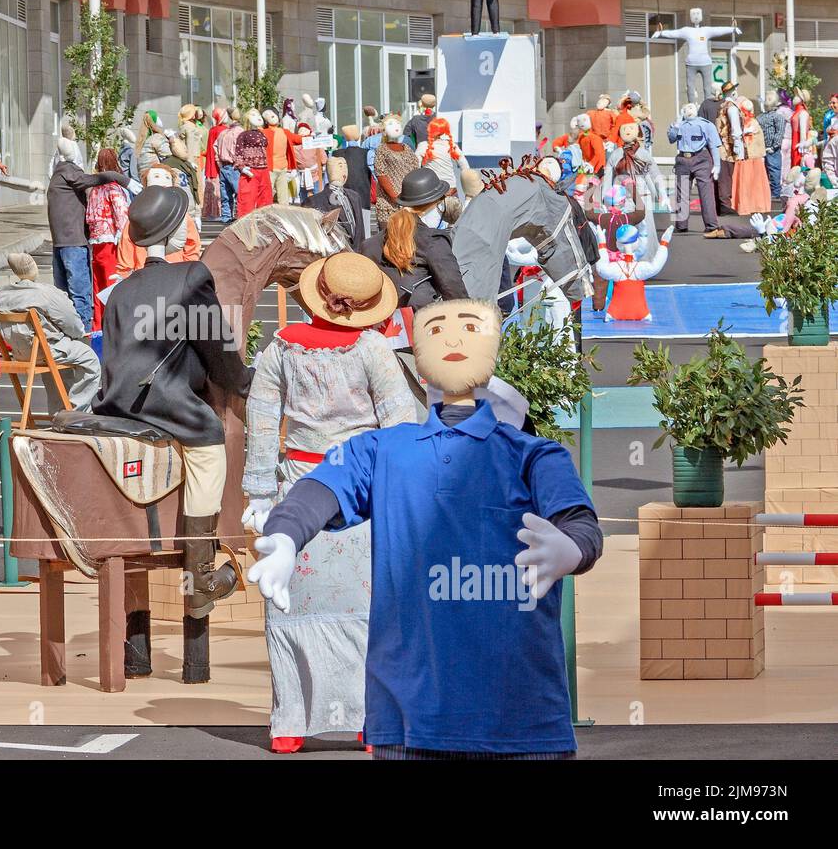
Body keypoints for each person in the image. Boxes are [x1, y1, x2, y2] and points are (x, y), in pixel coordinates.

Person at [247, 297, 603, 759]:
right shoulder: (379, 450)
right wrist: (285, 534)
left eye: (469, 327)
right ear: (416, 358)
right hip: (408, 725)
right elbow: (321, 488)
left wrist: (571, 548)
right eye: (436, 329)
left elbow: (582, 524)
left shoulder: (534, 455)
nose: (453, 338)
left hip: (522, 722)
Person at [241, 253, 413, 754]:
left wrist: (257, 491)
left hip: (296, 487)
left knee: (289, 606)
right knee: (368, 607)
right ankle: (370, 724)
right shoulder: (374, 350)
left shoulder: (280, 349)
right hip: (360, 491)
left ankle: (289, 723)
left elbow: (260, 421)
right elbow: (401, 426)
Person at [92, 186, 253, 619]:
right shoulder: (191, 277)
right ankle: (199, 580)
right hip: (167, 407)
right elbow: (218, 348)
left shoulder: (120, 290)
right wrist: (242, 381)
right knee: (209, 456)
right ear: (175, 229)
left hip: (116, 406)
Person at [0, 252, 102, 412]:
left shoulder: (1, 294)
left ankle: (59, 410)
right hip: (45, 350)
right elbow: (72, 324)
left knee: (55, 359)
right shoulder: (45, 293)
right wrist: (77, 333)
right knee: (89, 359)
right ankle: (76, 409)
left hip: (19, 352)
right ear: (34, 268)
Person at [47, 136, 131, 331]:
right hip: (85, 242)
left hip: (81, 242)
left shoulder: (64, 177)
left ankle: (90, 327)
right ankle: (89, 334)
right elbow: (121, 215)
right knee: (85, 292)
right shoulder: (71, 173)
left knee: (86, 290)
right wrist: (122, 179)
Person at [362, 168, 468, 308]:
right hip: (421, 322)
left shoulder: (369, 245)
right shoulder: (434, 241)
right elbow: (456, 295)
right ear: (438, 205)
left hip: (381, 323)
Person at [85, 147, 132, 330]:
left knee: (97, 286)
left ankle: (98, 326)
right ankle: (113, 327)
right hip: (111, 242)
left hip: (96, 242)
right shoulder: (113, 187)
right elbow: (122, 215)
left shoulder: (94, 188)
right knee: (112, 286)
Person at [668, 103, 721, 233]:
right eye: (686, 109)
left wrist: (717, 164)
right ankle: (681, 225)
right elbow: (671, 139)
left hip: (701, 158)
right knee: (681, 193)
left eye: (691, 108)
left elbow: (713, 145)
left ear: (696, 110)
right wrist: (676, 124)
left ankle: (711, 225)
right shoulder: (678, 125)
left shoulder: (705, 125)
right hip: (682, 159)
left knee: (706, 192)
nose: (689, 111)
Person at [731, 100, 772, 217]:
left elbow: (758, 140)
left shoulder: (752, 123)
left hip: (751, 157)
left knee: (752, 182)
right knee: (749, 182)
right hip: (747, 157)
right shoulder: (743, 123)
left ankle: (753, 205)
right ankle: (747, 205)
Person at [715, 81, 746, 218]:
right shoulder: (732, 108)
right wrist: (739, 147)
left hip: (723, 145)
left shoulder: (723, 106)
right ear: (732, 92)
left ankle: (724, 204)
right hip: (729, 147)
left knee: (725, 176)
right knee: (727, 176)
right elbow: (735, 129)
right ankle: (725, 205)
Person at [214, 108, 244, 224]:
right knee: (239, 193)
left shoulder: (223, 133)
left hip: (224, 166)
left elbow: (215, 147)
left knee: (225, 195)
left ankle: (226, 217)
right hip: (234, 166)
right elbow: (239, 150)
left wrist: (219, 163)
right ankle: (239, 215)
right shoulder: (240, 132)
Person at [759, 90, 787, 199]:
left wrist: (774, 146)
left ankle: (774, 192)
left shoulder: (775, 116)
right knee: (771, 170)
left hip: (770, 148)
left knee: (773, 170)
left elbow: (779, 133)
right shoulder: (764, 116)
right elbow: (779, 133)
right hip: (767, 148)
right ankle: (772, 191)